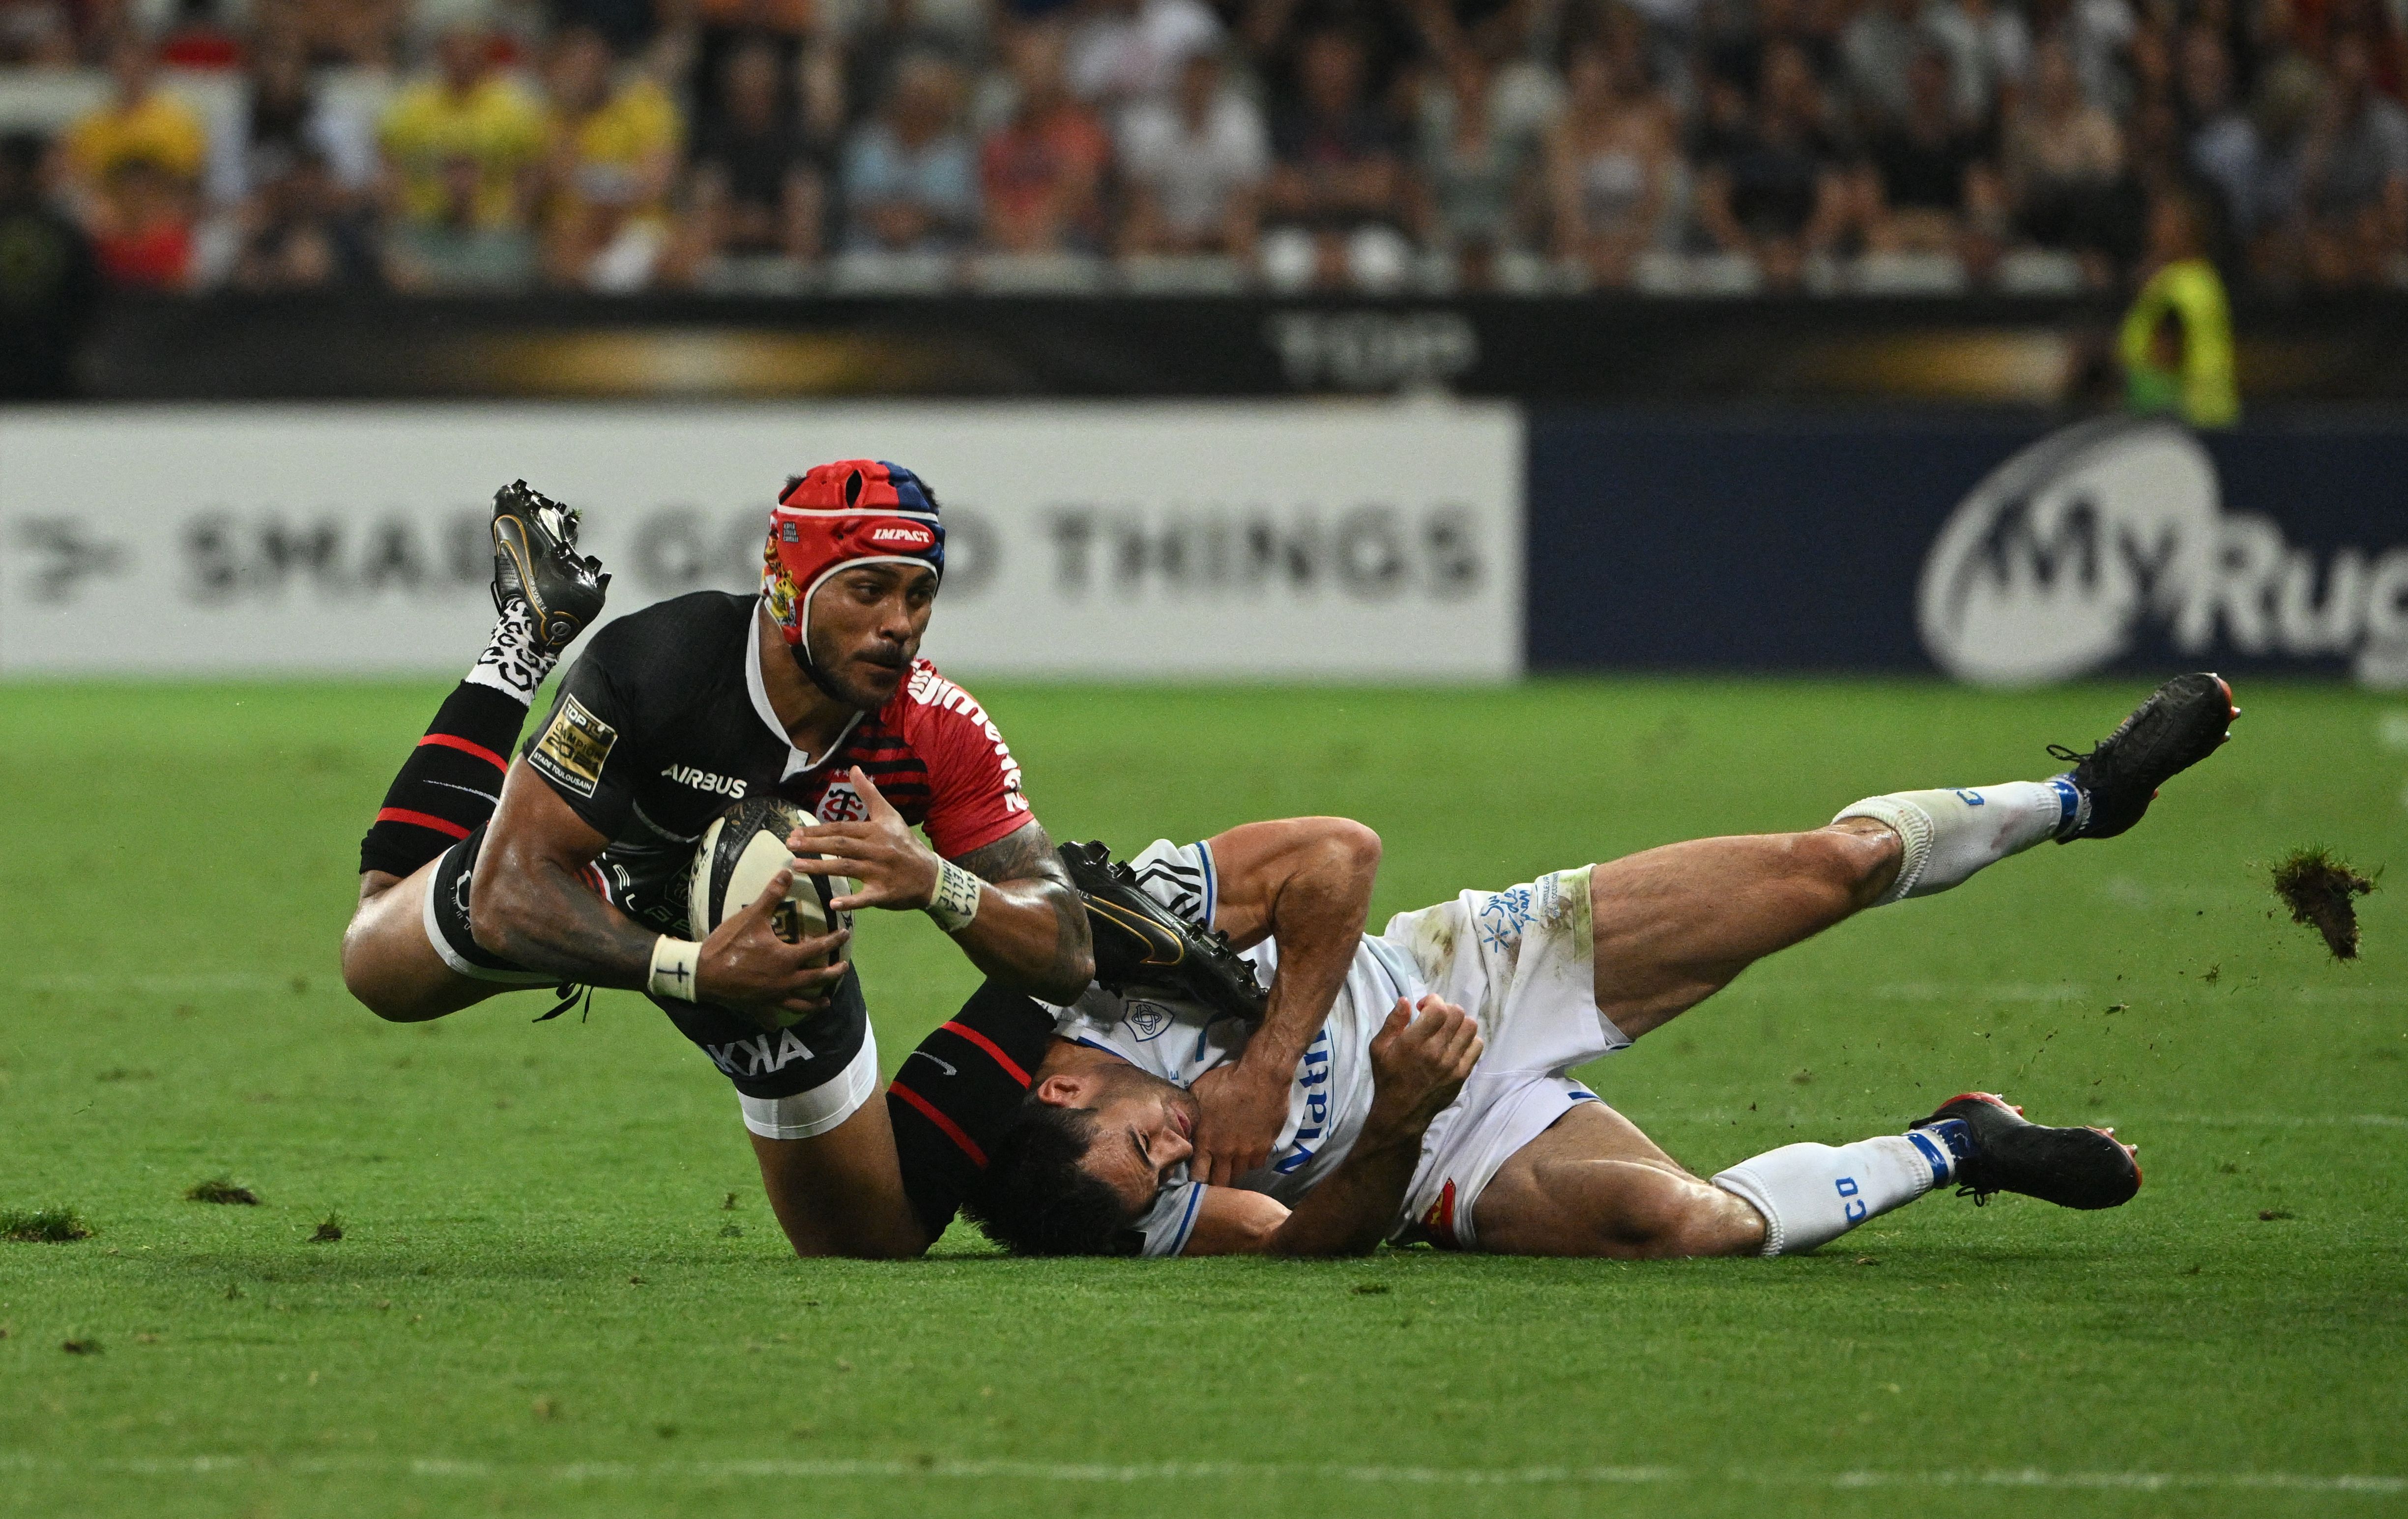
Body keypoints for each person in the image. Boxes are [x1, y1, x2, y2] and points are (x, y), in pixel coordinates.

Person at [910, 673, 2239, 1259]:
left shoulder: (1097, 957)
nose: (1186, 1161)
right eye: (1178, 1177)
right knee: (1683, 1225)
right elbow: (1300, 1244)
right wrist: (1397, 1125)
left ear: (1068, 1092)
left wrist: (1265, 1068)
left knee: (1817, 872)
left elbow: (1337, 854)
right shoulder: (1118, 1211)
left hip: (1485, 969)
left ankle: (2079, 800)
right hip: (1446, 1149)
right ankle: (1962, 1145)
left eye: (1158, 1150)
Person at [338, 465, 1093, 1258]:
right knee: (375, 964)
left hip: (771, 954)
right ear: (785, 584)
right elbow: (508, 891)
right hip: (597, 880)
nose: (900, 624)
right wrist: (692, 969)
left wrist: (942, 883)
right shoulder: (658, 663)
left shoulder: (938, 728)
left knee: (869, 1246)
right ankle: (525, 644)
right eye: (867, 589)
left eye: (918, 594)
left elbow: (1068, 951)